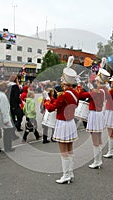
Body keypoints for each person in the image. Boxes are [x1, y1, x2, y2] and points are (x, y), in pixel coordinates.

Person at [44, 56, 79, 184]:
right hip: (70, 123)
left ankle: (66, 175)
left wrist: (47, 101)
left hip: (63, 123)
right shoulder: (75, 93)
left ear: (64, 82)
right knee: (70, 149)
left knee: (63, 150)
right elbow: (61, 104)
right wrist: (54, 100)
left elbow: (52, 108)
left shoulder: (63, 94)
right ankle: (70, 172)